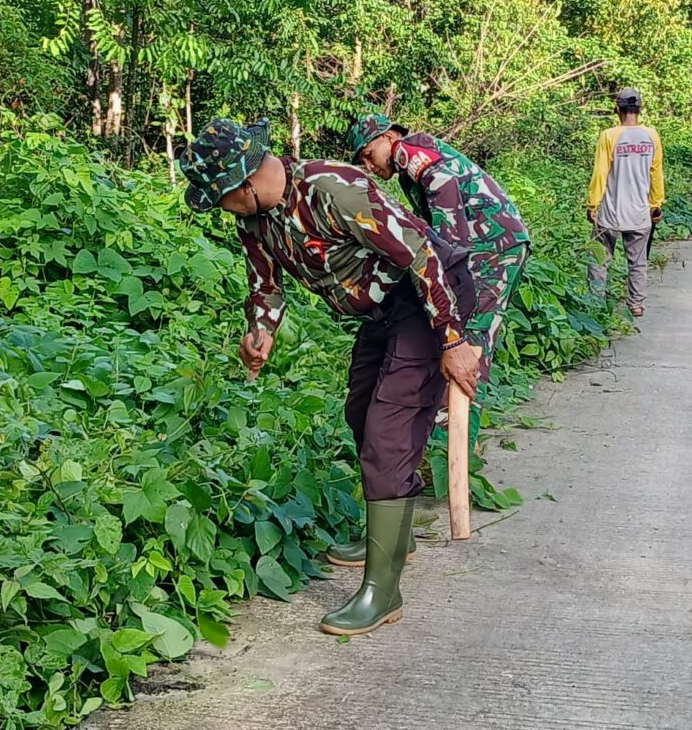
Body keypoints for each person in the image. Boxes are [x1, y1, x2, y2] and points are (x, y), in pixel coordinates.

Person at [180, 117, 477, 637]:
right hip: (380, 312)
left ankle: (381, 592)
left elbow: (421, 254)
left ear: (244, 184)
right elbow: (265, 285)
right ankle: (395, 536)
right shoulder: (256, 221)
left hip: (427, 296)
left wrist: (451, 339)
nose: (220, 211)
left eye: (221, 198)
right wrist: (261, 331)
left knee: (387, 435)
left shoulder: (333, 189)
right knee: (361, 415)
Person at [346, 114, 531, 389]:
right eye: (363, 162)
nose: (370, 166)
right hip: (500, 244)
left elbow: (442, 185)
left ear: (388, 137)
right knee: (470, 334)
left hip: (491, 248)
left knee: (468, 340)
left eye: (369, 155)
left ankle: (453, 428)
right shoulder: (416, 154)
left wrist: (449, 264)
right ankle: (452, 423)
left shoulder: (404, 151)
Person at [587, 88, 665, 318]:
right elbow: (656, 173)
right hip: (640, 213)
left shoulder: (609, 136)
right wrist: (656, 204)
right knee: (638, 261)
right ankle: (636, 304)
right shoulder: (652, 136)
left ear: (617, 109)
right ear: (639, 109)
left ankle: (596, 305)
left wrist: (593, 204)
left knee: (599, 261)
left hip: (610, 213)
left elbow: (600, 173)